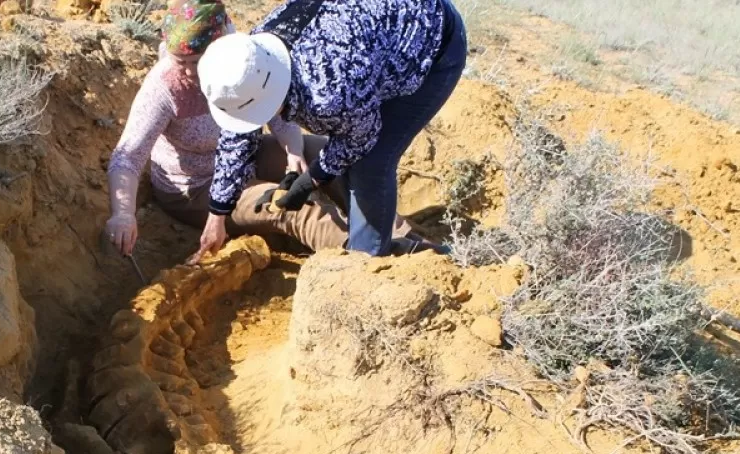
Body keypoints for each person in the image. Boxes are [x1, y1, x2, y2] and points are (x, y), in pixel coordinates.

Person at [103, 0, 408, 260]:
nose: (186, 71)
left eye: (194, 62)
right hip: (196, 187)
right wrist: (123, 214)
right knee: (290, 208)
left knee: (325, 153)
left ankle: (404, 238)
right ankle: (371, 262)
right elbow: (128, 156)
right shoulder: (165, 88)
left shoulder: (238, 58)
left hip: (247, 154)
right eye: (178, 61)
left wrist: (293, 149)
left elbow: (272, 102)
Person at [195, 0, 468, 259]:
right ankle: (372, 237)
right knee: (351, 155)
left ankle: (367, 262)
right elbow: (237, 139)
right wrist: (218, 213)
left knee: (371, 164)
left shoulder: (327, 93)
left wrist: (313, 177)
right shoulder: (249, 65)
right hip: (372, 44)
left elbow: (362, 137)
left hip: (431, 43)